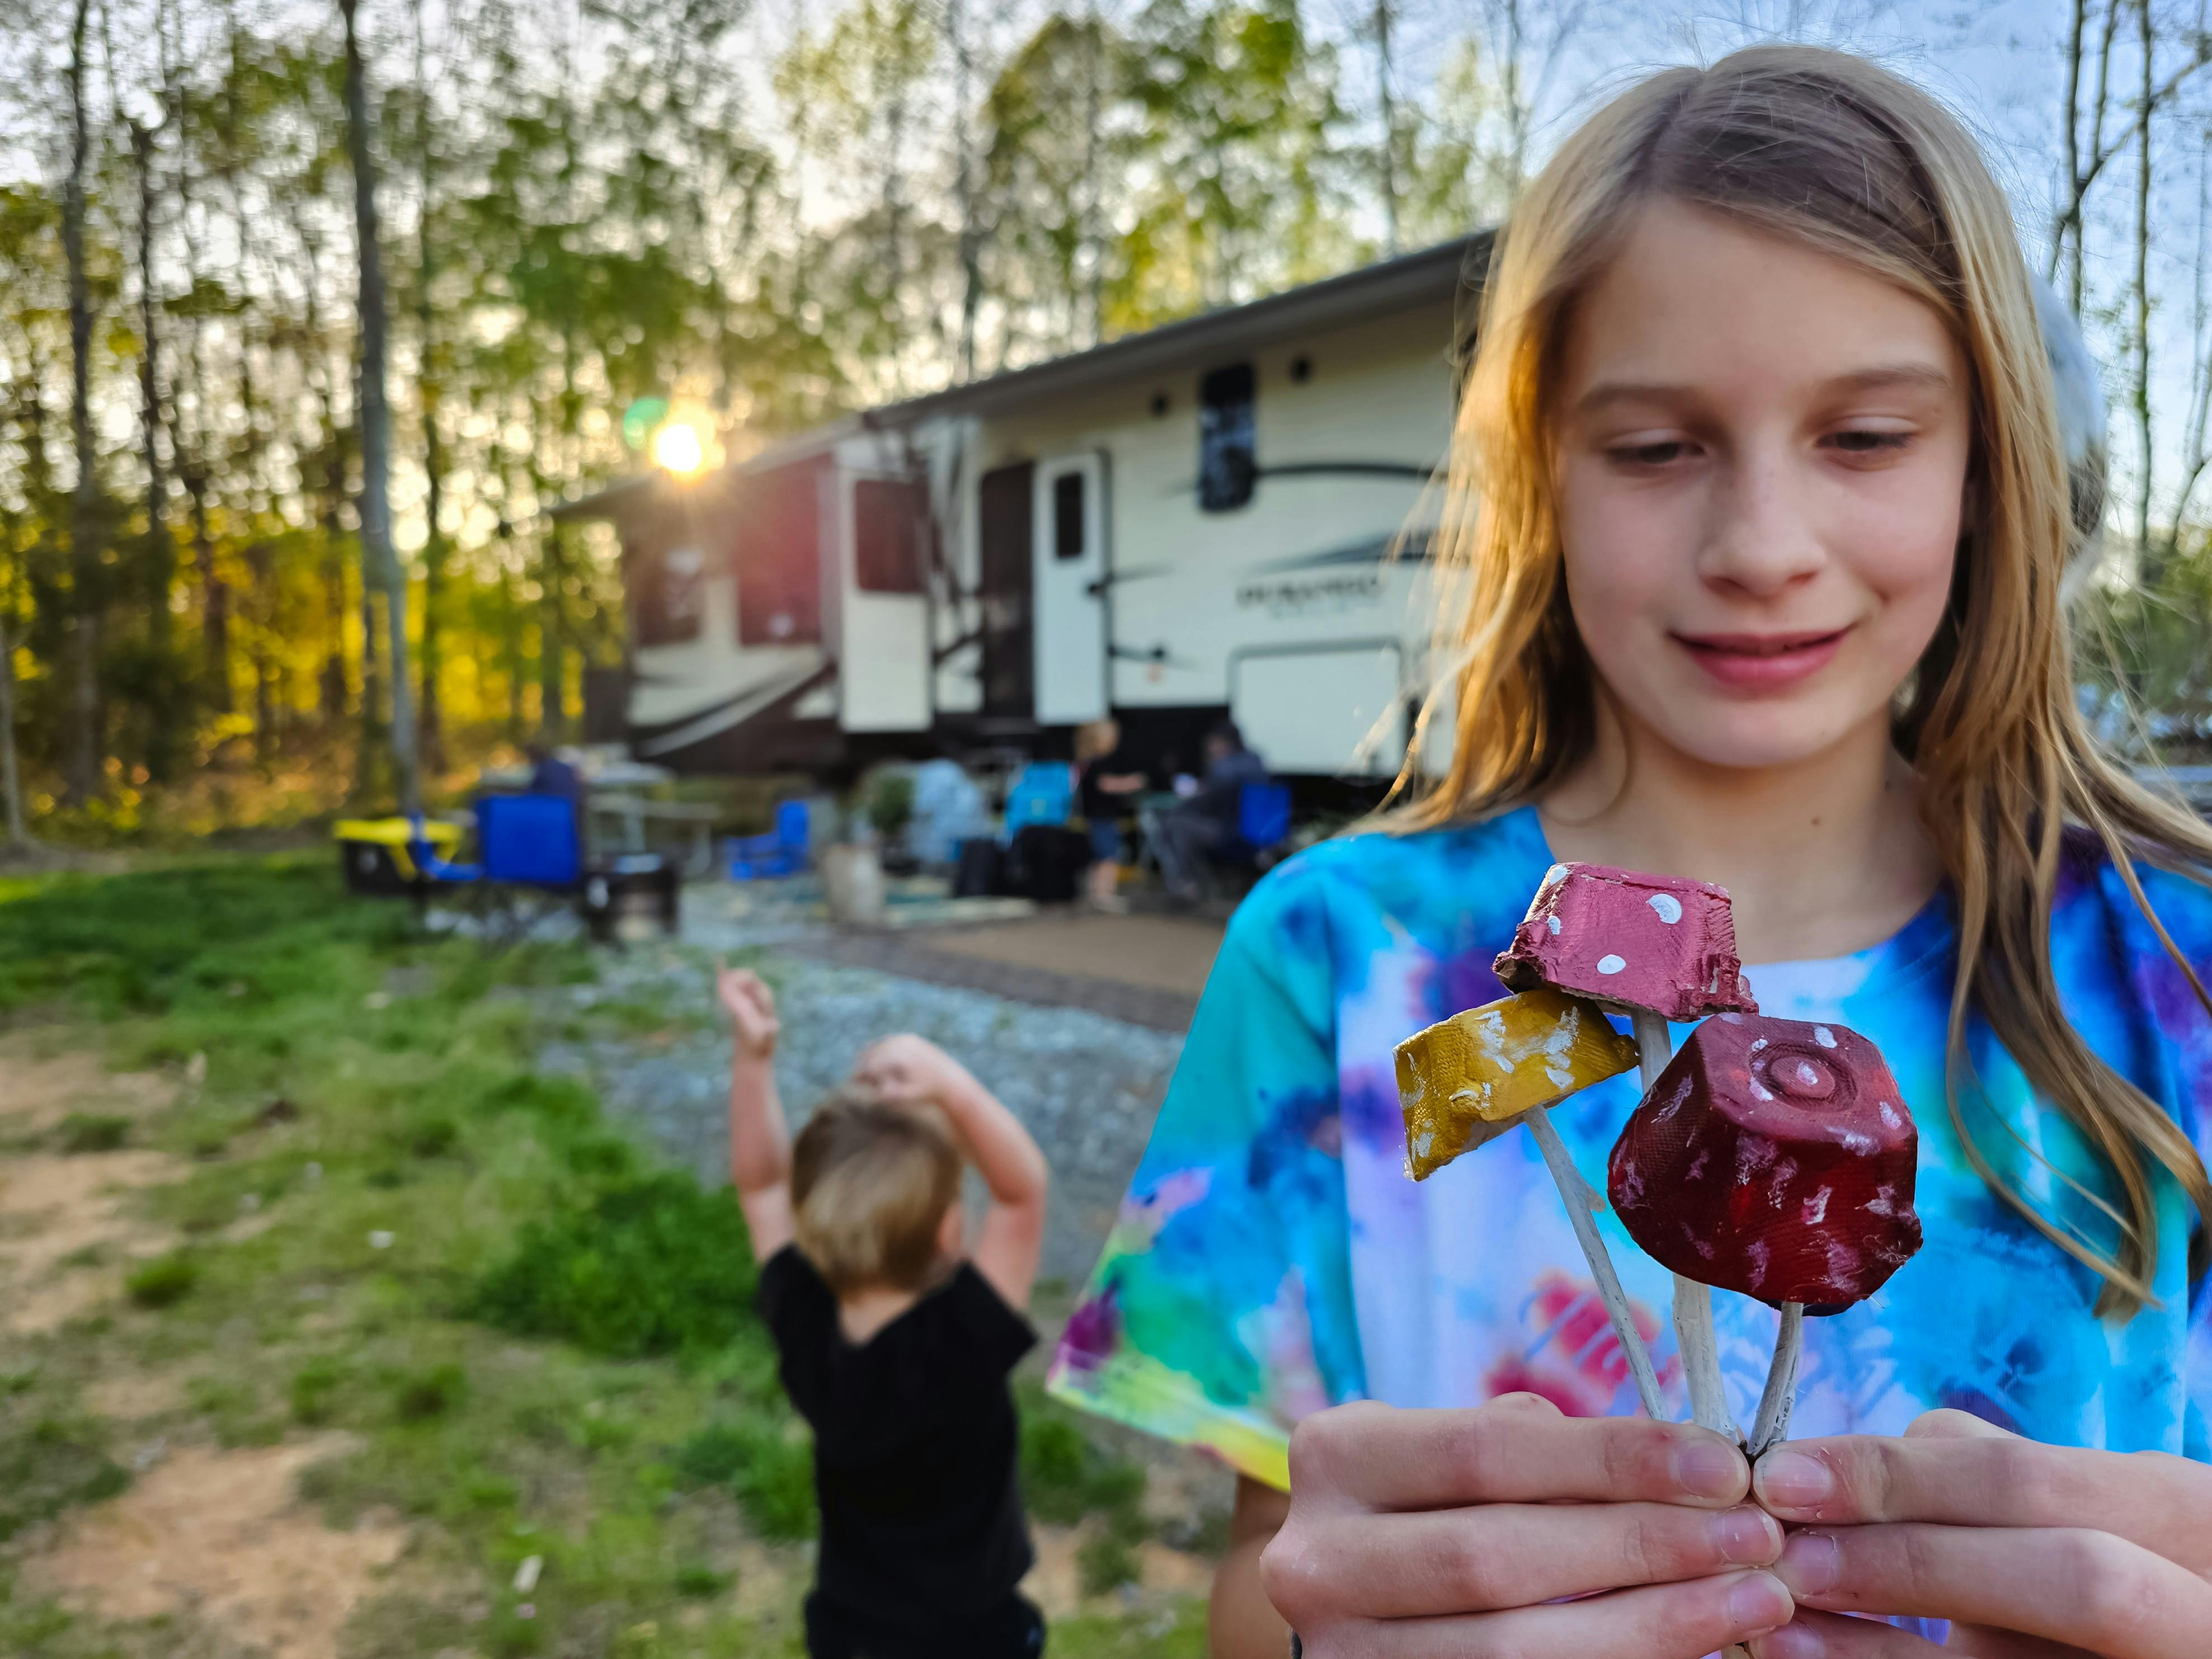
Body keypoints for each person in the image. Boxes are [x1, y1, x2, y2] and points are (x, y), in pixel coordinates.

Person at [1044, 45, 2212, 1659]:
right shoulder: (1345, 964)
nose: (1759, 548)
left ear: (1986, 466)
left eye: (1864, 435)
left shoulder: (2177, 969)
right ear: (1543, 475)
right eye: (1657, 449)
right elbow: (1271, 1563)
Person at [717, 962, 1051, 1659]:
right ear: (948, 1233)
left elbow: (760, 1185)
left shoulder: (805, 1322)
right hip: (972, 1637)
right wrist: (950, 1085)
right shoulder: (961, 1340)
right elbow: (1023, 1194)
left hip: (848, 1630)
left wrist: (753, 1057)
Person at [1149, 720, 1268, 902]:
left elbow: (1206, 801)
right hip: (1256, 830)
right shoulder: (1255, 760)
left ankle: (1188, 884)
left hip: (1229, 831)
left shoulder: (1225, 766)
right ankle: (1198, 883)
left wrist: (1192, 794)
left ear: (1224, 742)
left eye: (1213, 742)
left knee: (1175, 824)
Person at [1076, 718, 1149, 912]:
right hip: (1102, 817)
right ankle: (1104, 895)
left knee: (1099, 857)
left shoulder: (1087, 763)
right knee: (1109, 856)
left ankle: (1095, 893)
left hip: (1096, 817)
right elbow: (1107, 785)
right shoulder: (1097, 763)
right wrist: (1131, 783)